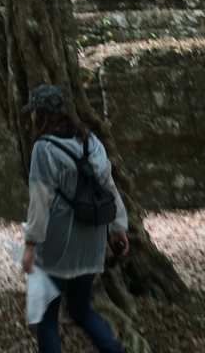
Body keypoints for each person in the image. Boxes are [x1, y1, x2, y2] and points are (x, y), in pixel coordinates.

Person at [19, 84, 129, 353]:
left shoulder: (43, 148)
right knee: (81, 310)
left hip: (58, 241)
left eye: (32, 112)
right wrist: (118, 228)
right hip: (92, 239)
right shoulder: (91, 141)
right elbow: (109, 186)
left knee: (47, 316)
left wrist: (31, 245)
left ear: (38, 115)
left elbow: (40, 199)